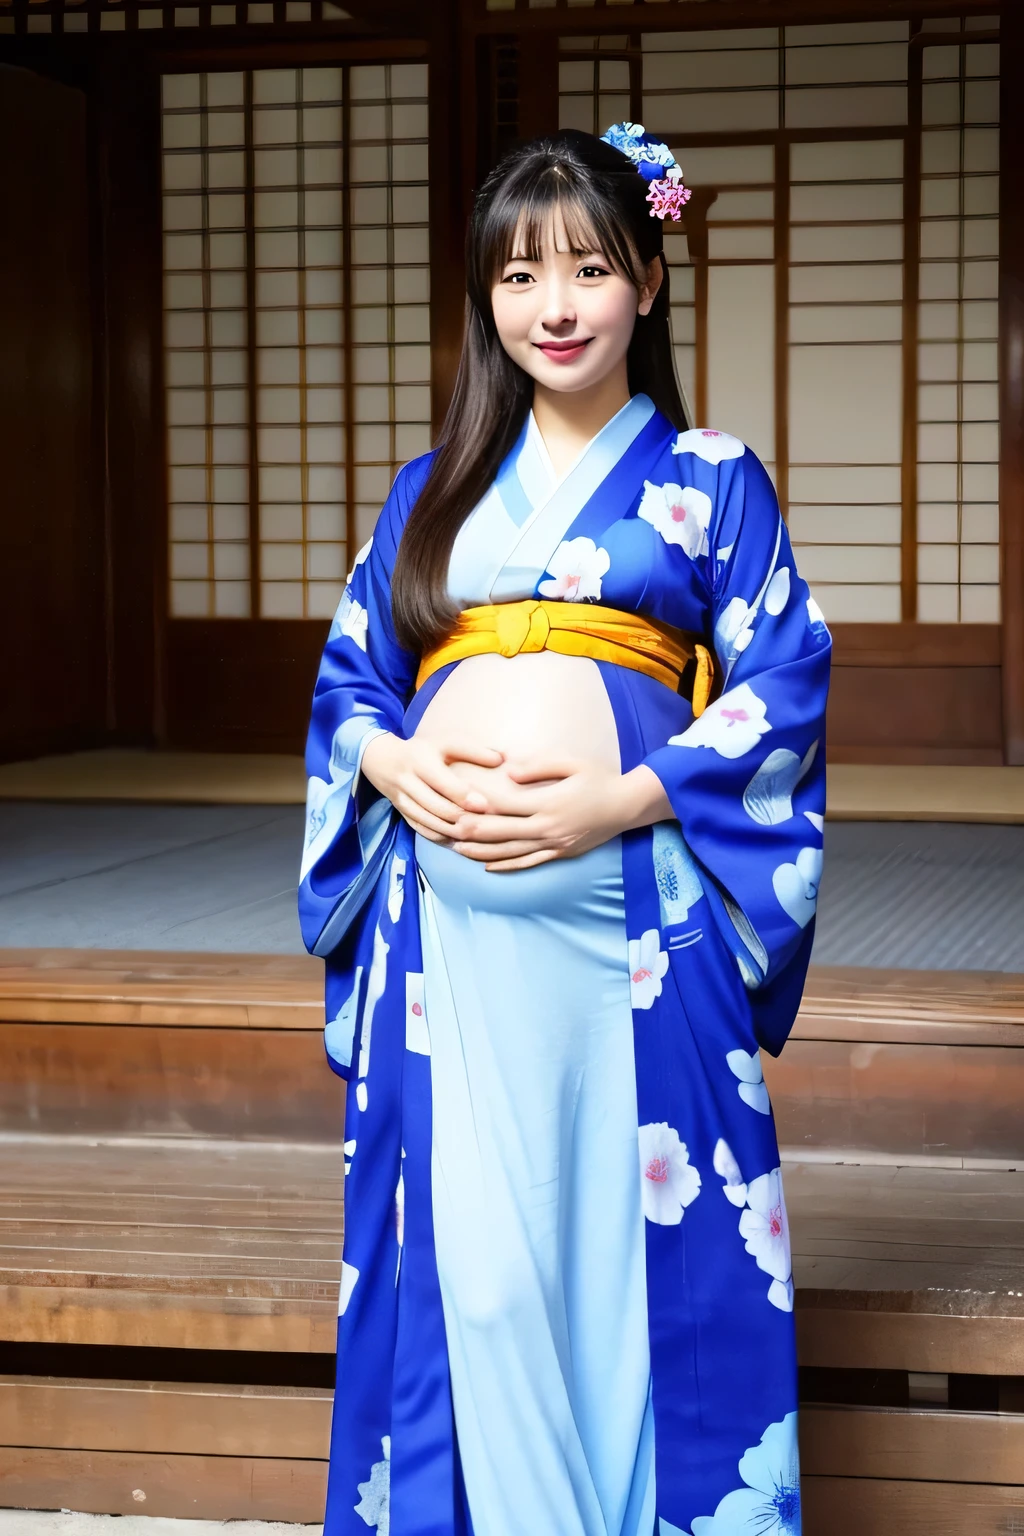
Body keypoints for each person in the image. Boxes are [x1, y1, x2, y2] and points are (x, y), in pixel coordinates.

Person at [299, 123, 829, 1536]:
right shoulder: (433, 487)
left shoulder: (714, 475)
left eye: (591, 267)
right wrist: (394, 765)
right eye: (523, 274)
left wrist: (622, 797)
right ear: (484, 295)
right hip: (451, 956)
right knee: (477, 1272)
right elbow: (354, 676)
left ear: (649, 280)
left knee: (627, 1267)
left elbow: (783, 679)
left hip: (637, 936)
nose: (557, 305)